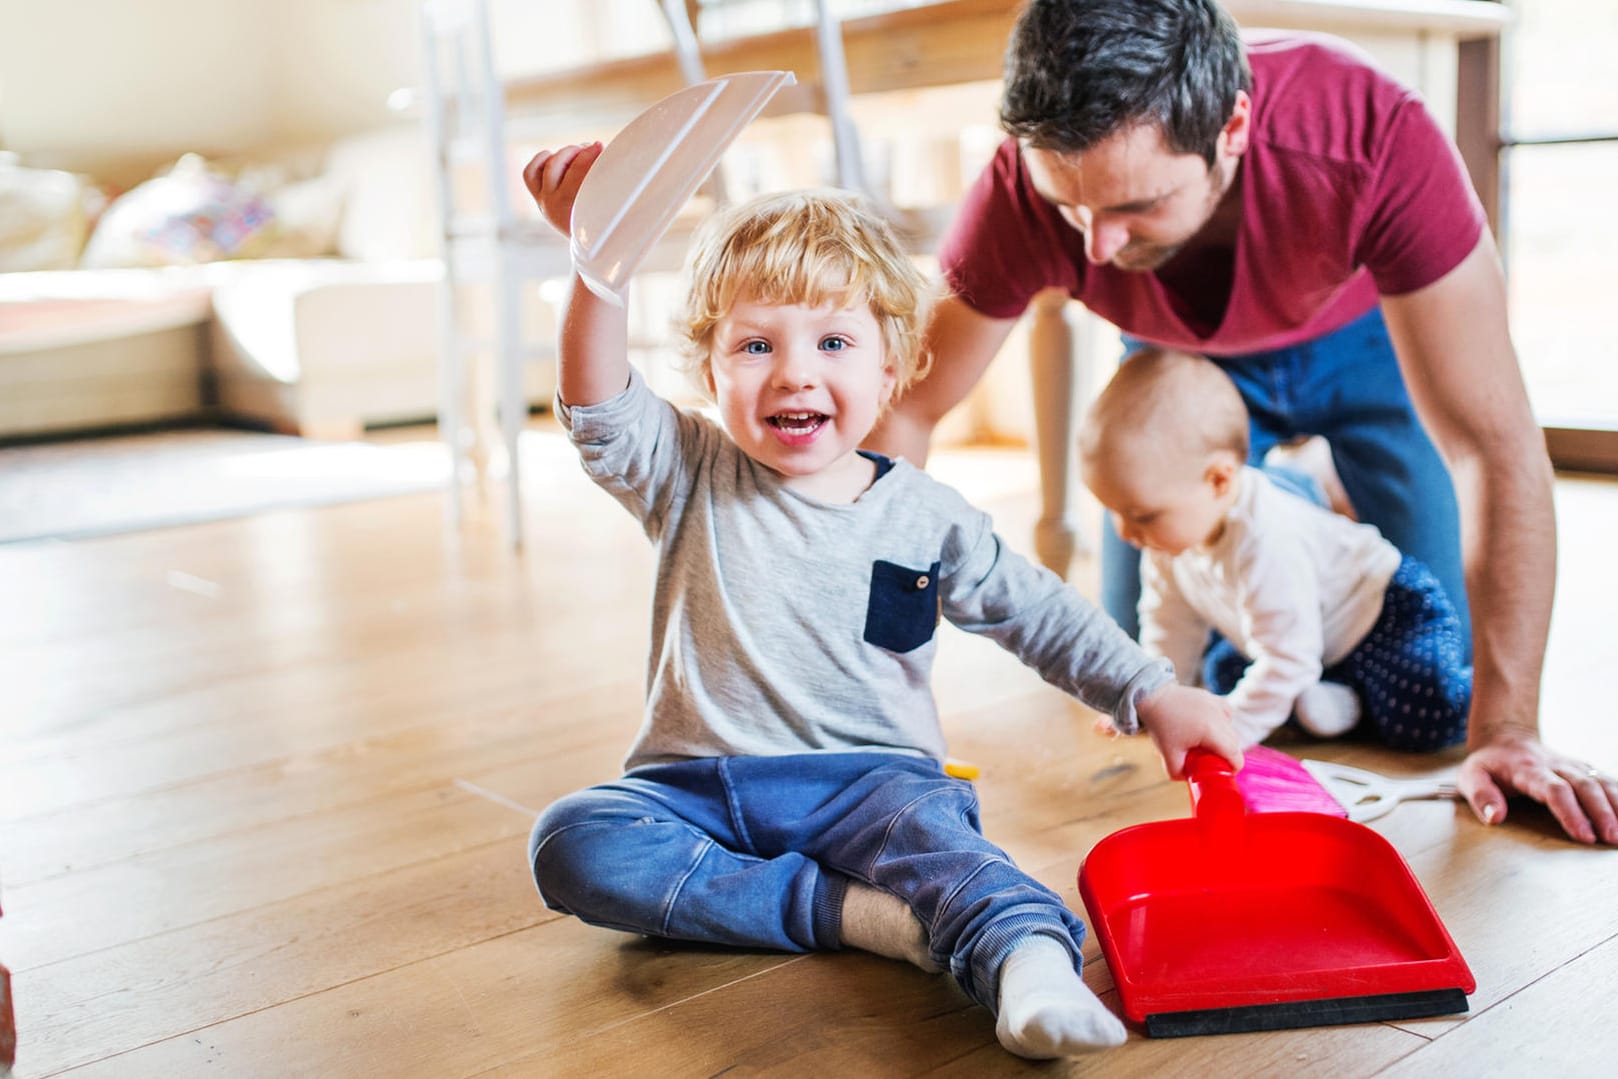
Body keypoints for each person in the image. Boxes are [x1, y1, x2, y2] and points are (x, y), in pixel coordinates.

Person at [519, 141, 1242, 1058]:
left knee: (958, 858)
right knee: (575, 842)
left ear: (892, 367)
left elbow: (1037, 611)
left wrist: (1147, 688)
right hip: (693, 786)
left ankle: (1028, 966)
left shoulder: (927, 513)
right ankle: (857, 915)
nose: (793, 373)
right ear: (707, 369)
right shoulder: (686, 468)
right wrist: (600, 270)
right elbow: (596, 407)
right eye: (754, 345)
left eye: (832, 342)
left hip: (871, 785)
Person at [867, 0, 1618, 845]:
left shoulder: (1372, 133)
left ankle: (1299, 498)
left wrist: (1509, 727)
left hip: (1367, 341)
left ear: (1233, 127)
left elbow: (1493, 445)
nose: (1096, 249)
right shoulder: (1024, 189)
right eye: (1069, 208)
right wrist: (864, 676)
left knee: (1442, 666)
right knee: (1144, 661)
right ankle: (1281, 512)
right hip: (1179, 373)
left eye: (1135, 206)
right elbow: (906, 412)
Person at [1079, 347, 1471, 749]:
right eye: (1113, 512)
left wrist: (1228, 736)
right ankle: (1336, 694)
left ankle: (1348, 691)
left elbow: (1286, 660)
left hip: (1384, 617)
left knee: (1425, 711)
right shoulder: (1165, 539)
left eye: (1141, 514)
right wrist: (1153, 699)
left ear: (1218, 480)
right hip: (1307, 641)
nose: (1125, 531)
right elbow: (1169, 623)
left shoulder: (1266, 538)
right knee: (1222, 675)